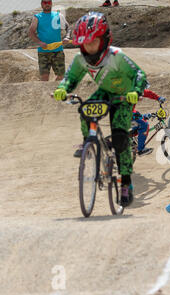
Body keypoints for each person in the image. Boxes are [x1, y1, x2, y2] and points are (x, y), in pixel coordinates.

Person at [53, 11, 149, 207]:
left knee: (121, 137)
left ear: (105, 39)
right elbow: (71, 77)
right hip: (105, 91)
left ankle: (126, 183)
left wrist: (136, 91)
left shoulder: (117, 57)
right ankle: (88, 143)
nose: (88, 48)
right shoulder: (81, 59)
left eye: (93, 42)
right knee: (85, 109)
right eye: (84, 44)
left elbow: (139, 74)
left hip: (123, 97)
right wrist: (63, 88)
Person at [28, 0, 71, 81]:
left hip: (58, 51)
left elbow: (68, 28)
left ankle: (56, 92)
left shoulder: (58, 15)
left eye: (49, 2)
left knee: (61, 77)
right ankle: (45, 93)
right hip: (43, 52)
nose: (47, 4)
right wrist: (39, 42)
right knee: (44, 78)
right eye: (45, 2)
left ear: (51, 3)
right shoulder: (37, 17)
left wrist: (67, 37)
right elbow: (31, 32)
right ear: (41, 4)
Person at [131, 89, 166, 156]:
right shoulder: (129, 89)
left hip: (126, 115)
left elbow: (146, 92)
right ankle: (141, 149)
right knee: (144, 125)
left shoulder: (133, 87)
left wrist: (158, 97)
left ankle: (130, 139)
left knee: (140, 119)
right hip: (123, 117)